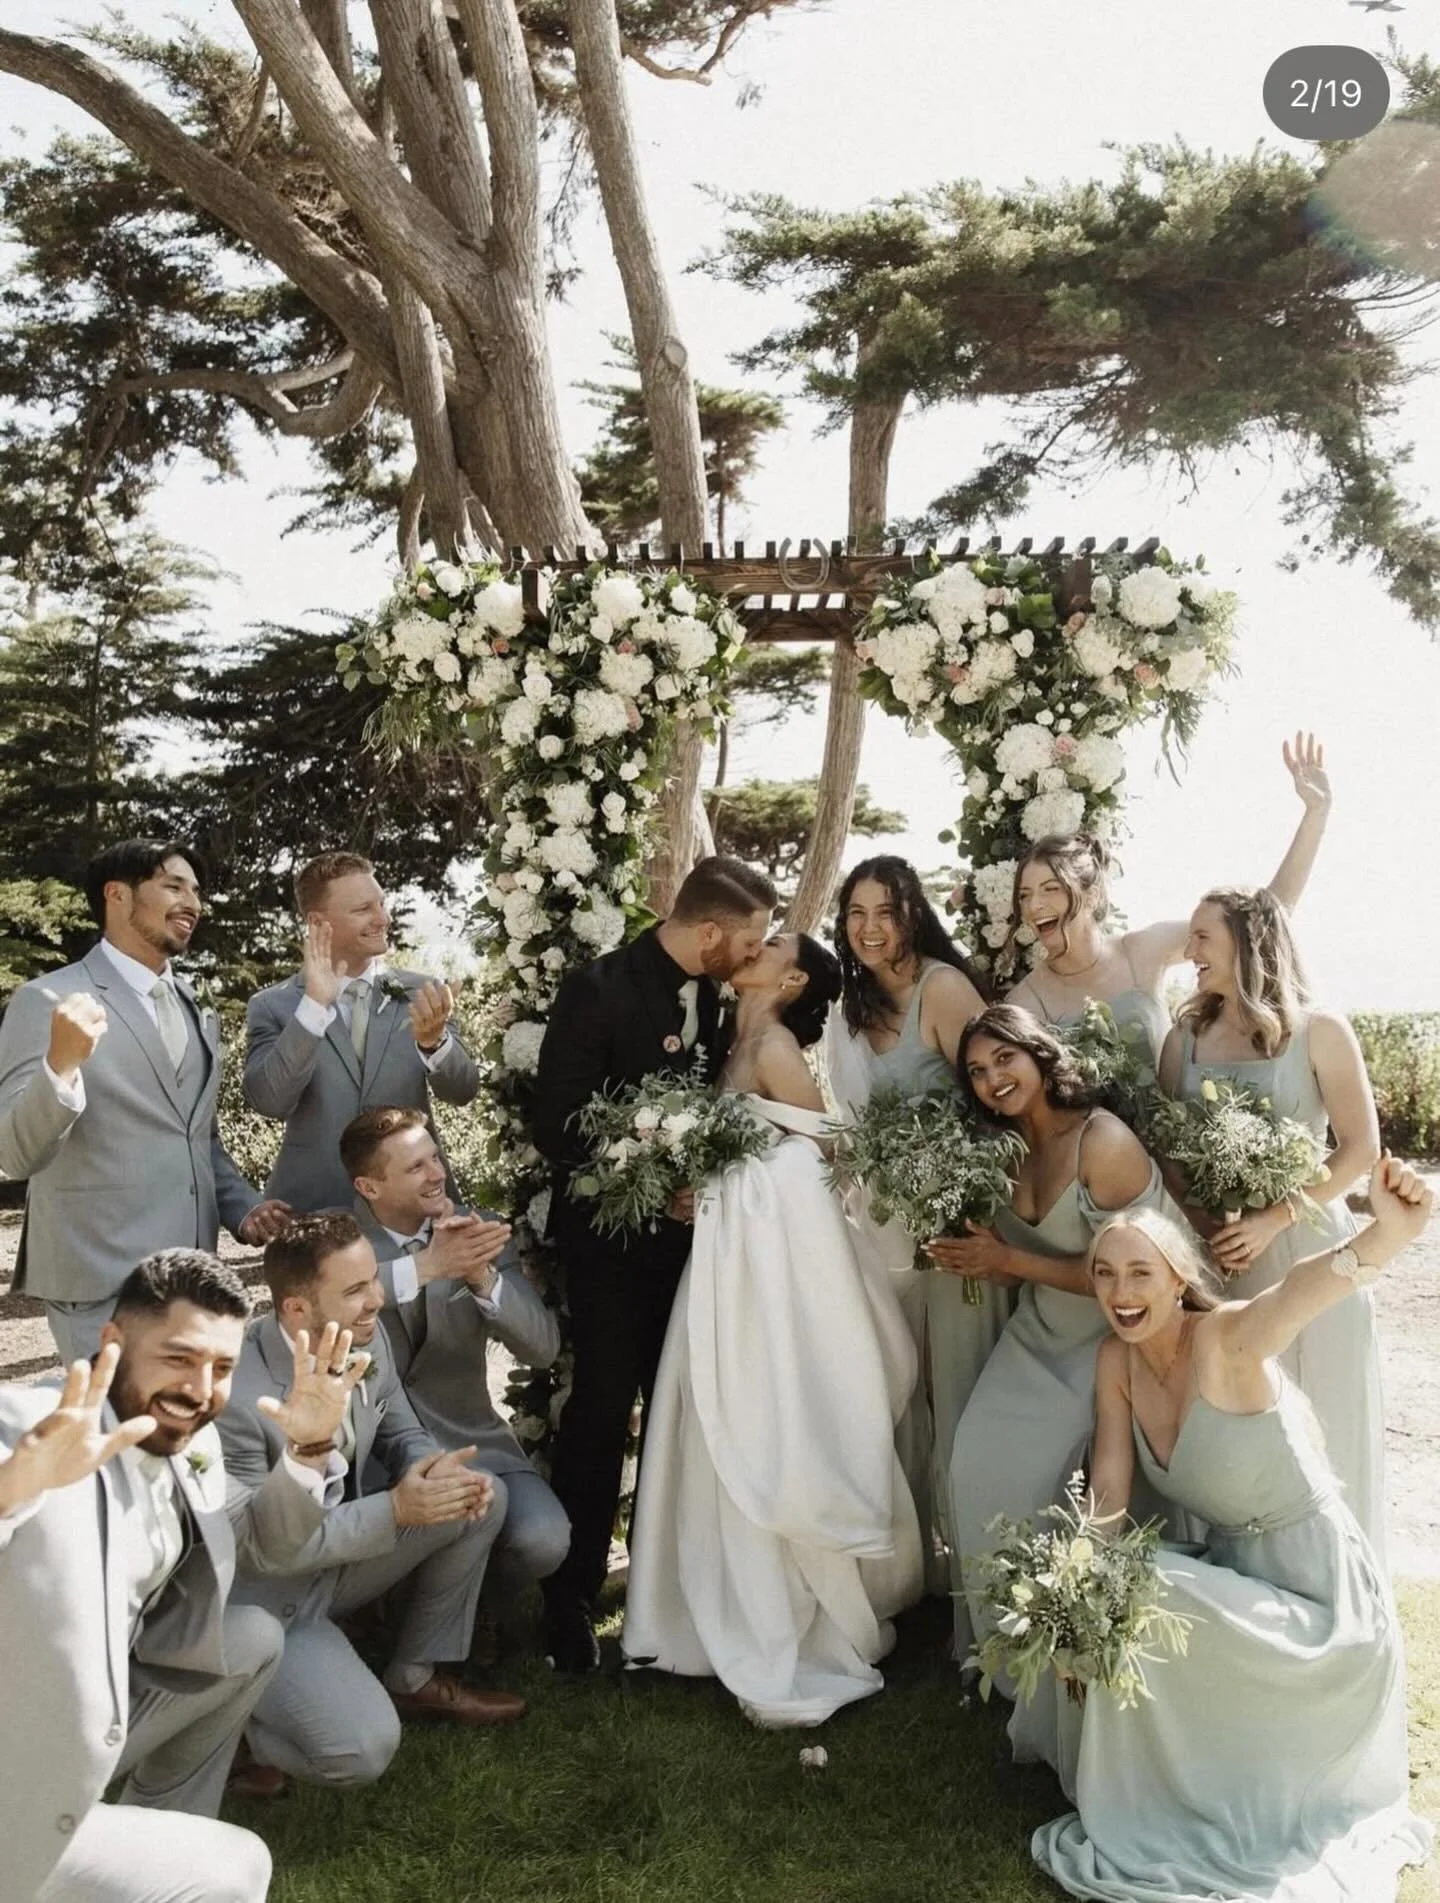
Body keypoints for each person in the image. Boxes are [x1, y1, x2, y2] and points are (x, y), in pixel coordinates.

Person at [1030, 1166, 1434, 1903]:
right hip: (1237, 1579)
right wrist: (1072, 1601)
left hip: (1322, 1606)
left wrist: (1392, 1229)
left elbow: (1301, 1289)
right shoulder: (1115, 1361)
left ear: (1179, 1276)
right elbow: (1109, 1488)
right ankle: (1157, 1789)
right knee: (1110, 1584)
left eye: (1140, 1273)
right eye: (1105, 1274)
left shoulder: (1226, 1339)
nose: (1121, 1292)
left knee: (1140, 1583)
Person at [0, 1249, 366, 1903]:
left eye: (220, 1367)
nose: (200, 1387)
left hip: (103, 1720)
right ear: (113, 1341)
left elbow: (264, 1543)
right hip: (14, 1778)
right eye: (179, 1357)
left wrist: (309, 1451)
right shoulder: (29, 1427)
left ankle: (165, 1827)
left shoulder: (193, 1441)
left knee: (250, 1642)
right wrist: (13, 1490)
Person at [623, 933, 922, 1724]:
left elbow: (828, 1157)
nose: (752, 945)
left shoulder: (777, 1045)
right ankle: (702, 1601)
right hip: (727, 1263)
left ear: (791, 979)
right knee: (704, 1407)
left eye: (771, 945)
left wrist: (725, 1181)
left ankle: (784, 1607)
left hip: (769, 1273)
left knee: (758, 1406)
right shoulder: (731, 1037)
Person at [532, 854, 777, 1673]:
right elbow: (560, 1125)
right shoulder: (596, 989)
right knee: (603, 1409)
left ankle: (669, 1589)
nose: (754, 956)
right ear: (709, 932)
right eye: (748, 941)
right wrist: (654, 1170)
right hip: (608, 1248)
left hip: (694, 1252)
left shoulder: (719, 998)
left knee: (685, 1410)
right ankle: (568, 1598)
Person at [219, 1213, 525, 1789]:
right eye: (356, 1289)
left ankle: (412, 1678)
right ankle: (220, 1729)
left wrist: (428, 1470)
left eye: (374, 1282)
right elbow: (264, 1551)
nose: (377, 1300)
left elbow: (401, 1431)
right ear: (296, 1311)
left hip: (337, 1564)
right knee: (361, 1754)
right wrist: (397, 1511)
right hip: (263, 1602)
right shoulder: (240, 1399)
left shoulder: (363, 1330)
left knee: (479, 1495)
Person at [932, 1005, 1192, 1667]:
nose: (993, 1079)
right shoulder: (1005, 1146)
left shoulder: (1102, 1142)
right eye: (978, 1072)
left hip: (1113, 1336)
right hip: (1037, 1331)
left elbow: (1133, 1276)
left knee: (1032, 1472)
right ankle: (999, 1649)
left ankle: (1056, 1643)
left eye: (1005, 1059)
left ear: (1040, 1054)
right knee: (973, 1459)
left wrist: (1008, 1261)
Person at [1157, 884, 1386, 1552]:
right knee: (1240, 1427)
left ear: (1245, 938)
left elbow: (1360, 1149)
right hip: (1224, 1262)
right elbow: (1166, 1148)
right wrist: (1205, 1223)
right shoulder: (1184, 1037)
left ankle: (1345, 1588)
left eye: (1203, 936)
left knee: (1328, 1421)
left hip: (1314, 1252)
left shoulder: (1320, 1028)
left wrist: (1273, 1218)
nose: (1190, 950)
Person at [0, 839, 290, 1363]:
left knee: (183, 1442)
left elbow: (195, 1137)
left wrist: (243, 1209)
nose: (194, 903)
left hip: (194, 1281)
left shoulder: (194, 1007)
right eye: (173, 886)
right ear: (117, 895)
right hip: (101, 1284)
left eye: (197, 891)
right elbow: (15, 1154)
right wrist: (59, 1066)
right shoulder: (46, 1000)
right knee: (118, 1440)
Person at [822, 854, 994, 1601]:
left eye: (883, 913)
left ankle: (970, 1571)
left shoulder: (943, 987)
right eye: (855, 914)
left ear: (911, 914)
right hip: (879, 1222)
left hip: (950, 1217)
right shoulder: (848, 1003)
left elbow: (990, 1095)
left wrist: (962, 1201)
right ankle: (905, 1562)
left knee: (952, 1387)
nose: (868, 929)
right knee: (895, 1387)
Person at [345, 1105, 571, 1601]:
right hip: (375, 1460)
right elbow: (333, 1300)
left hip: (476, 1443)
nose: (437, 1173)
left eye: (435, 1157)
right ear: (369, 1187)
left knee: (544, 1540)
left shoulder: (479, 1230)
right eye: (416, 1166)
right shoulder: (338, 1244)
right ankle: (393, 1608)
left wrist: (479, 1276)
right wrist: (426, 1267)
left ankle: (478, 1609)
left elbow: (542, 1349)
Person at [1003, 732, 1331, 1058]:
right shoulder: (1026, 1001)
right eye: (1024, 895)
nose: (1033, 906)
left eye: (1050, 889)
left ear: (1091, 895)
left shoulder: (1143, 949)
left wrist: (1315, 815)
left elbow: (1261, 921)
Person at [244, 851, 480, 1212]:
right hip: (311, 1211)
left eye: (382, 904)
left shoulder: (425, 993)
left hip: (415, 1208)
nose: (383, 918)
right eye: (363, 909)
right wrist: (313, 1008)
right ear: (318, 922)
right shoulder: (271, 1005)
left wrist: (435, 1044)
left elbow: (463, 1091)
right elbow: (270, 1103)